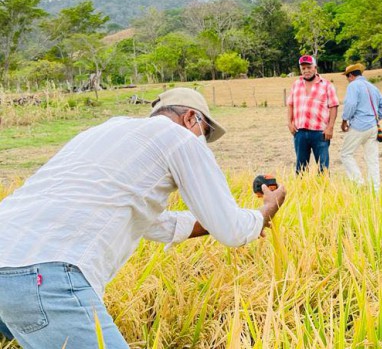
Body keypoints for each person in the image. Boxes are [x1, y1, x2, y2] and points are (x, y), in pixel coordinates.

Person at [0, 88, 287, 348]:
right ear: (191, 118)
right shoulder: (181, 139)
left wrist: (214, 223)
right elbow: (233, 231)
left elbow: (156, 224)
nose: (204, 142)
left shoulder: (103, 132)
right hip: (44, 275)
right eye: (206, 132)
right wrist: (265, 212)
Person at [287, 55, 339, 174]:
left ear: (315, 68)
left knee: (323, 167)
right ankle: (301, 190)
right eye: (303, 68)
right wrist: (289, 123)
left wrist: (330, 127)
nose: (306, 71)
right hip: (300, 132)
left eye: (309, 67)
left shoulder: (326, 85)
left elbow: (333, 106)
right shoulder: (296, 85)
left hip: (320, 133)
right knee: (300, 168)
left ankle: (324, 190)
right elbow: (290, 104)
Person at [340, 63, 382, 190]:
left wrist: (345, 120)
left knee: (346, 154)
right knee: (372, 160)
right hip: (373, 126)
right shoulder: (372, 87)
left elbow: (350, 104)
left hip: (359, 126)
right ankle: (375, 190)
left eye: (347, 77)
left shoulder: (353, 85)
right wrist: (376, 117)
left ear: (351, 76)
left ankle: (359, 183)